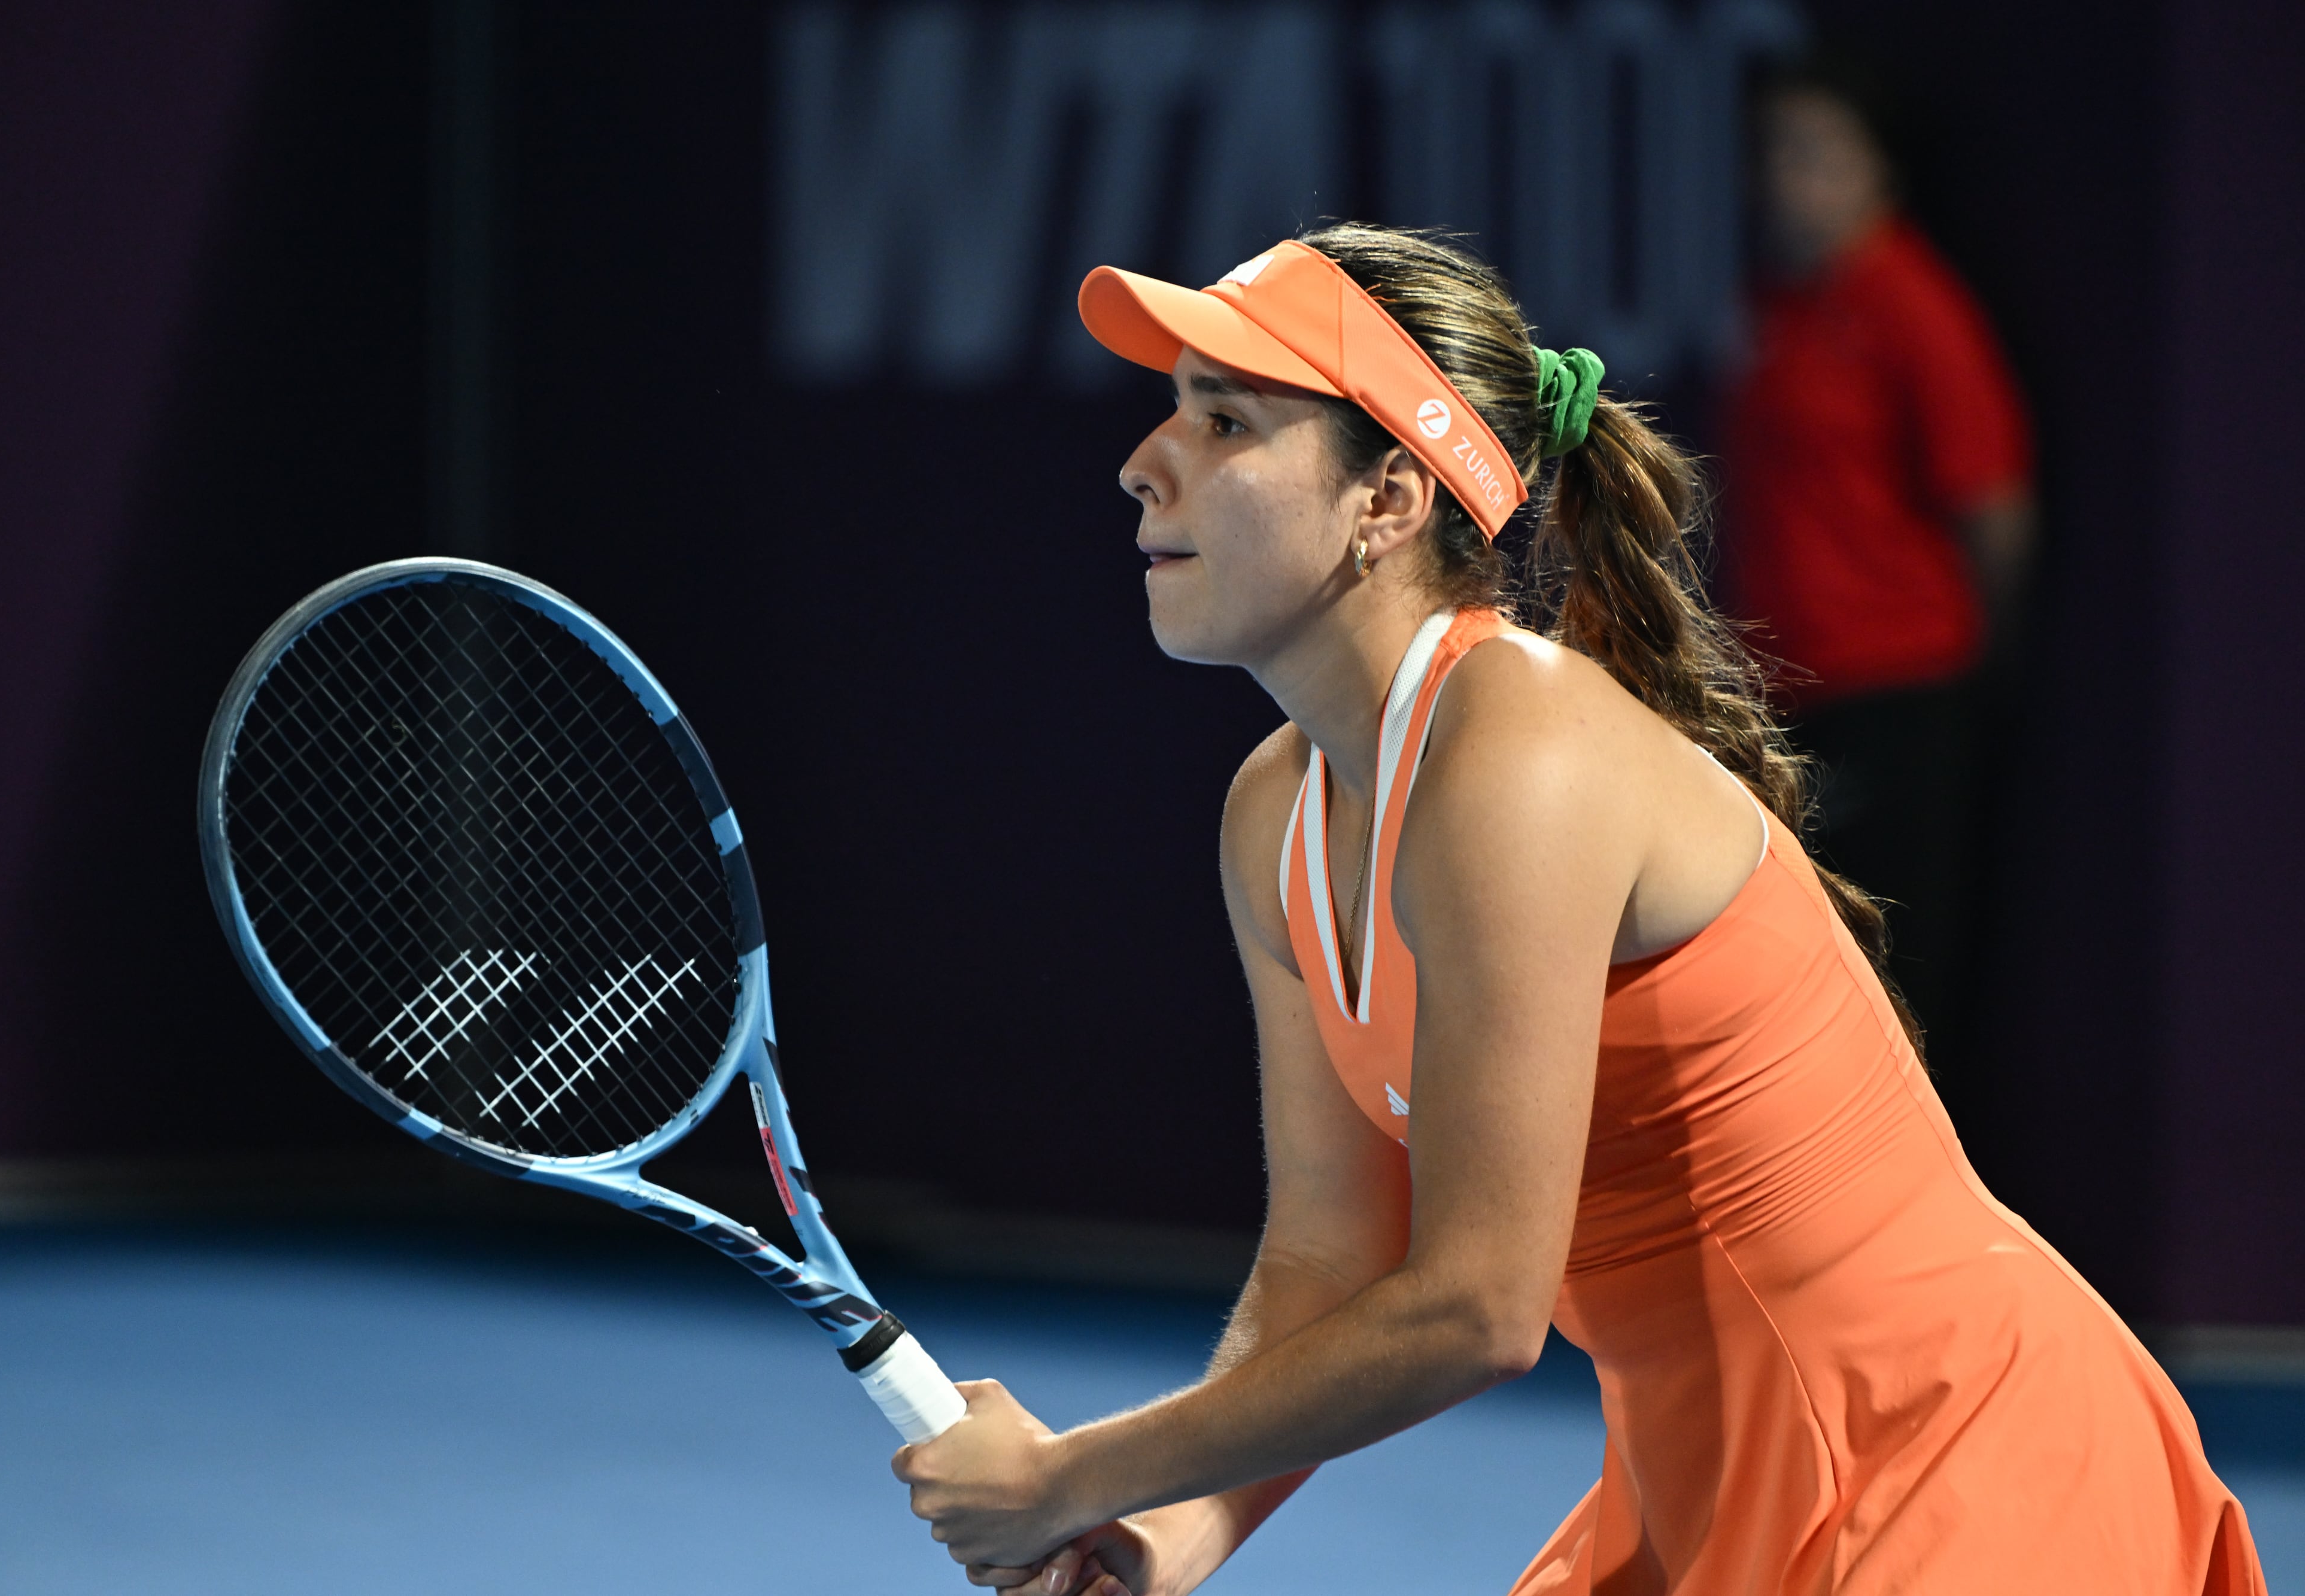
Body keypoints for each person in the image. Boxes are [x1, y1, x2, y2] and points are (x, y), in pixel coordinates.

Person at [892, 227, 2263, 1594]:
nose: (1146, 457)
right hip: (1701, 1491)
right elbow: (1328, 1253)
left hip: (1960, 1465)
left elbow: (1476, 1307)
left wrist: (1071, 1477)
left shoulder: (1518, 750)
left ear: (1386, 498)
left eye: (1224, 417)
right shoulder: (1276, 813)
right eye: (1173, 408)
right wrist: (1168, 1532)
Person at [1722, 59, 2037, 1062]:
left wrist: (1976, 655)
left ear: (1880, 173)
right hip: (1789, 692)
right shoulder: (1780, 310)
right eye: (1774, 150)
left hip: (1901, 693)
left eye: (1816, 152)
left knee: (1897, 972)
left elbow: (1993, 505)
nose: (1786, 175)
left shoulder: (1914, 306)